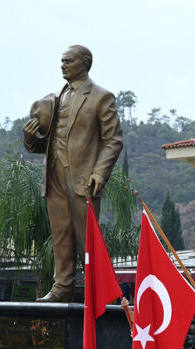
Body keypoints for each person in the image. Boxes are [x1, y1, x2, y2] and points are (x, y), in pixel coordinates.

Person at [23, 45, 124, 302]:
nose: (62, 65)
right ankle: (62, 286)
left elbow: (113, 140)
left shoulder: (101, 97)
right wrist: (30, 139)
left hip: (83, 178)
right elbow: (47, 142)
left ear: (84, 63)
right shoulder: (54, 99)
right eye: (61, 61)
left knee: (86, 239)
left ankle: (99, 290)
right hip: (54, 176)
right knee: (61, 236)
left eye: (68, 61)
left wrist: (101, 172)